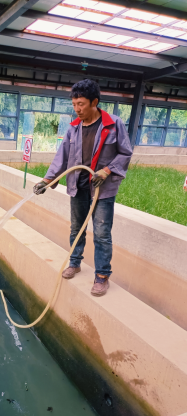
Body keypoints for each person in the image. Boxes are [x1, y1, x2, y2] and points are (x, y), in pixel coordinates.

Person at [33, 79, 133, 297]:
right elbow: (63, 157)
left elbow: (125, 153)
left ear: (94, 102)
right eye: (74, 104)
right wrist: (47, 180)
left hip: (102, 190)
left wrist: (108, 170)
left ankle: (102, 276)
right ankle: (75, 262)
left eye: (81, 104)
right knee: (76, 229)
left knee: (102, 233)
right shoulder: (74, 128)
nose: (77, 109)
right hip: (78, 187)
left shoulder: (113, 124)